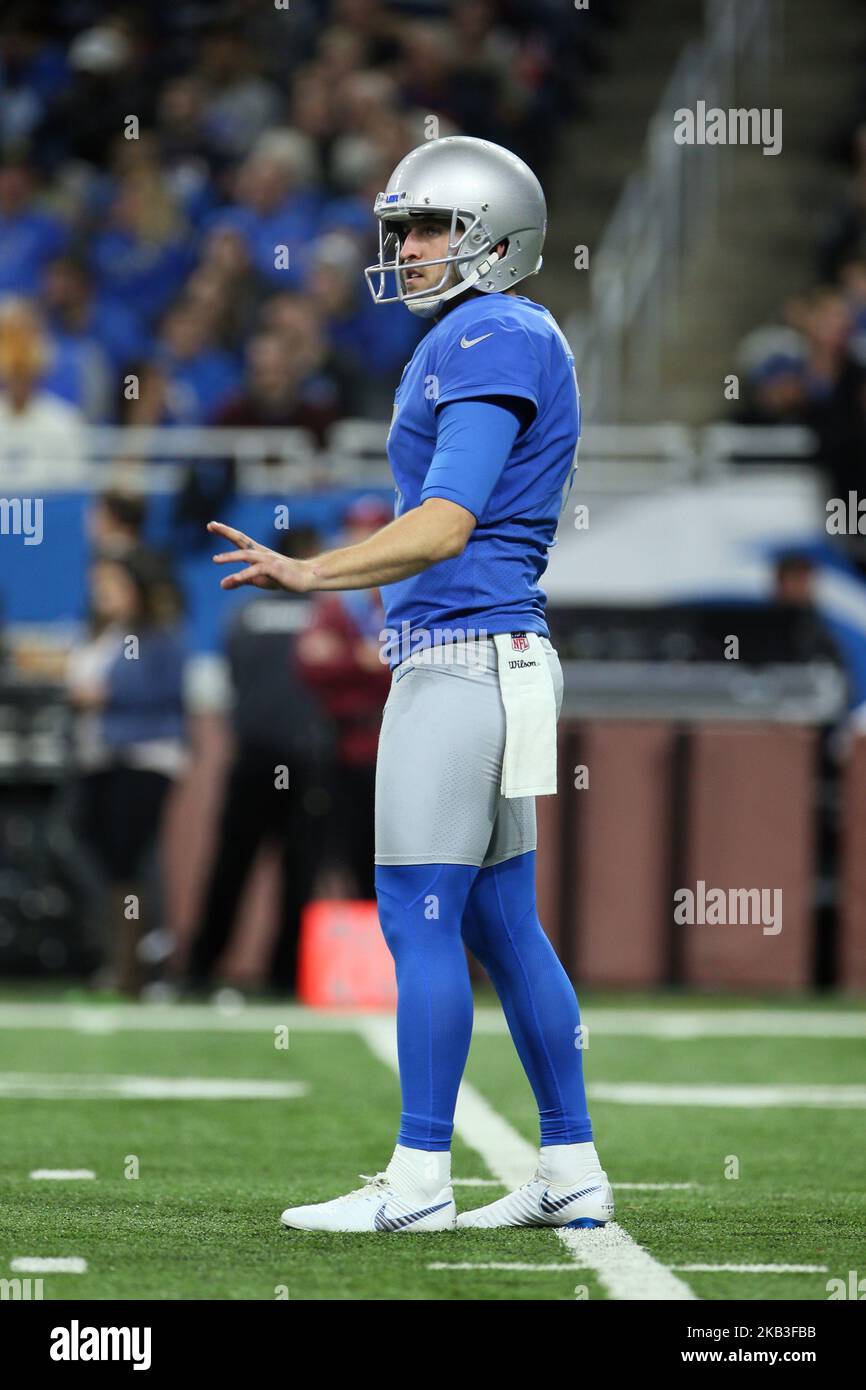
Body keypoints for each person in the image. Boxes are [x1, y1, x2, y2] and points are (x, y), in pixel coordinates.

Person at [208, 136, 614, 1234]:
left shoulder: (486, 330)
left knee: (418, 912)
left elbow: (444, 522)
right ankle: (568, 1164)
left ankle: (419, 1179)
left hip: (461, 657)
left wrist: (309, 570)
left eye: (430, 226)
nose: (412, 249)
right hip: (499, 656)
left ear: (489, 231)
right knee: (498, 919)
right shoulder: (501, 331)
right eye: (407, 230)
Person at [183, 528, 335, 995]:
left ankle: (199, 971)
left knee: (231, 867)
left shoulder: (243, 615)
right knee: (300, 871)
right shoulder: (323, 612)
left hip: (252, 756)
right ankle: (286, 977)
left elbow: (233, 678)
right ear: (307, 556)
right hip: (308, 759)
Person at [67, 552, 187, 996]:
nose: (103, 595)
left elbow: (163, 689)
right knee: (106, 856)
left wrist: (106, 693)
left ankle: (146, 961)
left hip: (143, 758)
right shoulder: (100, 633)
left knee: (132, 857)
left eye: (112, 585)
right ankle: (124, 957)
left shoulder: (155, 635)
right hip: (99, 758)